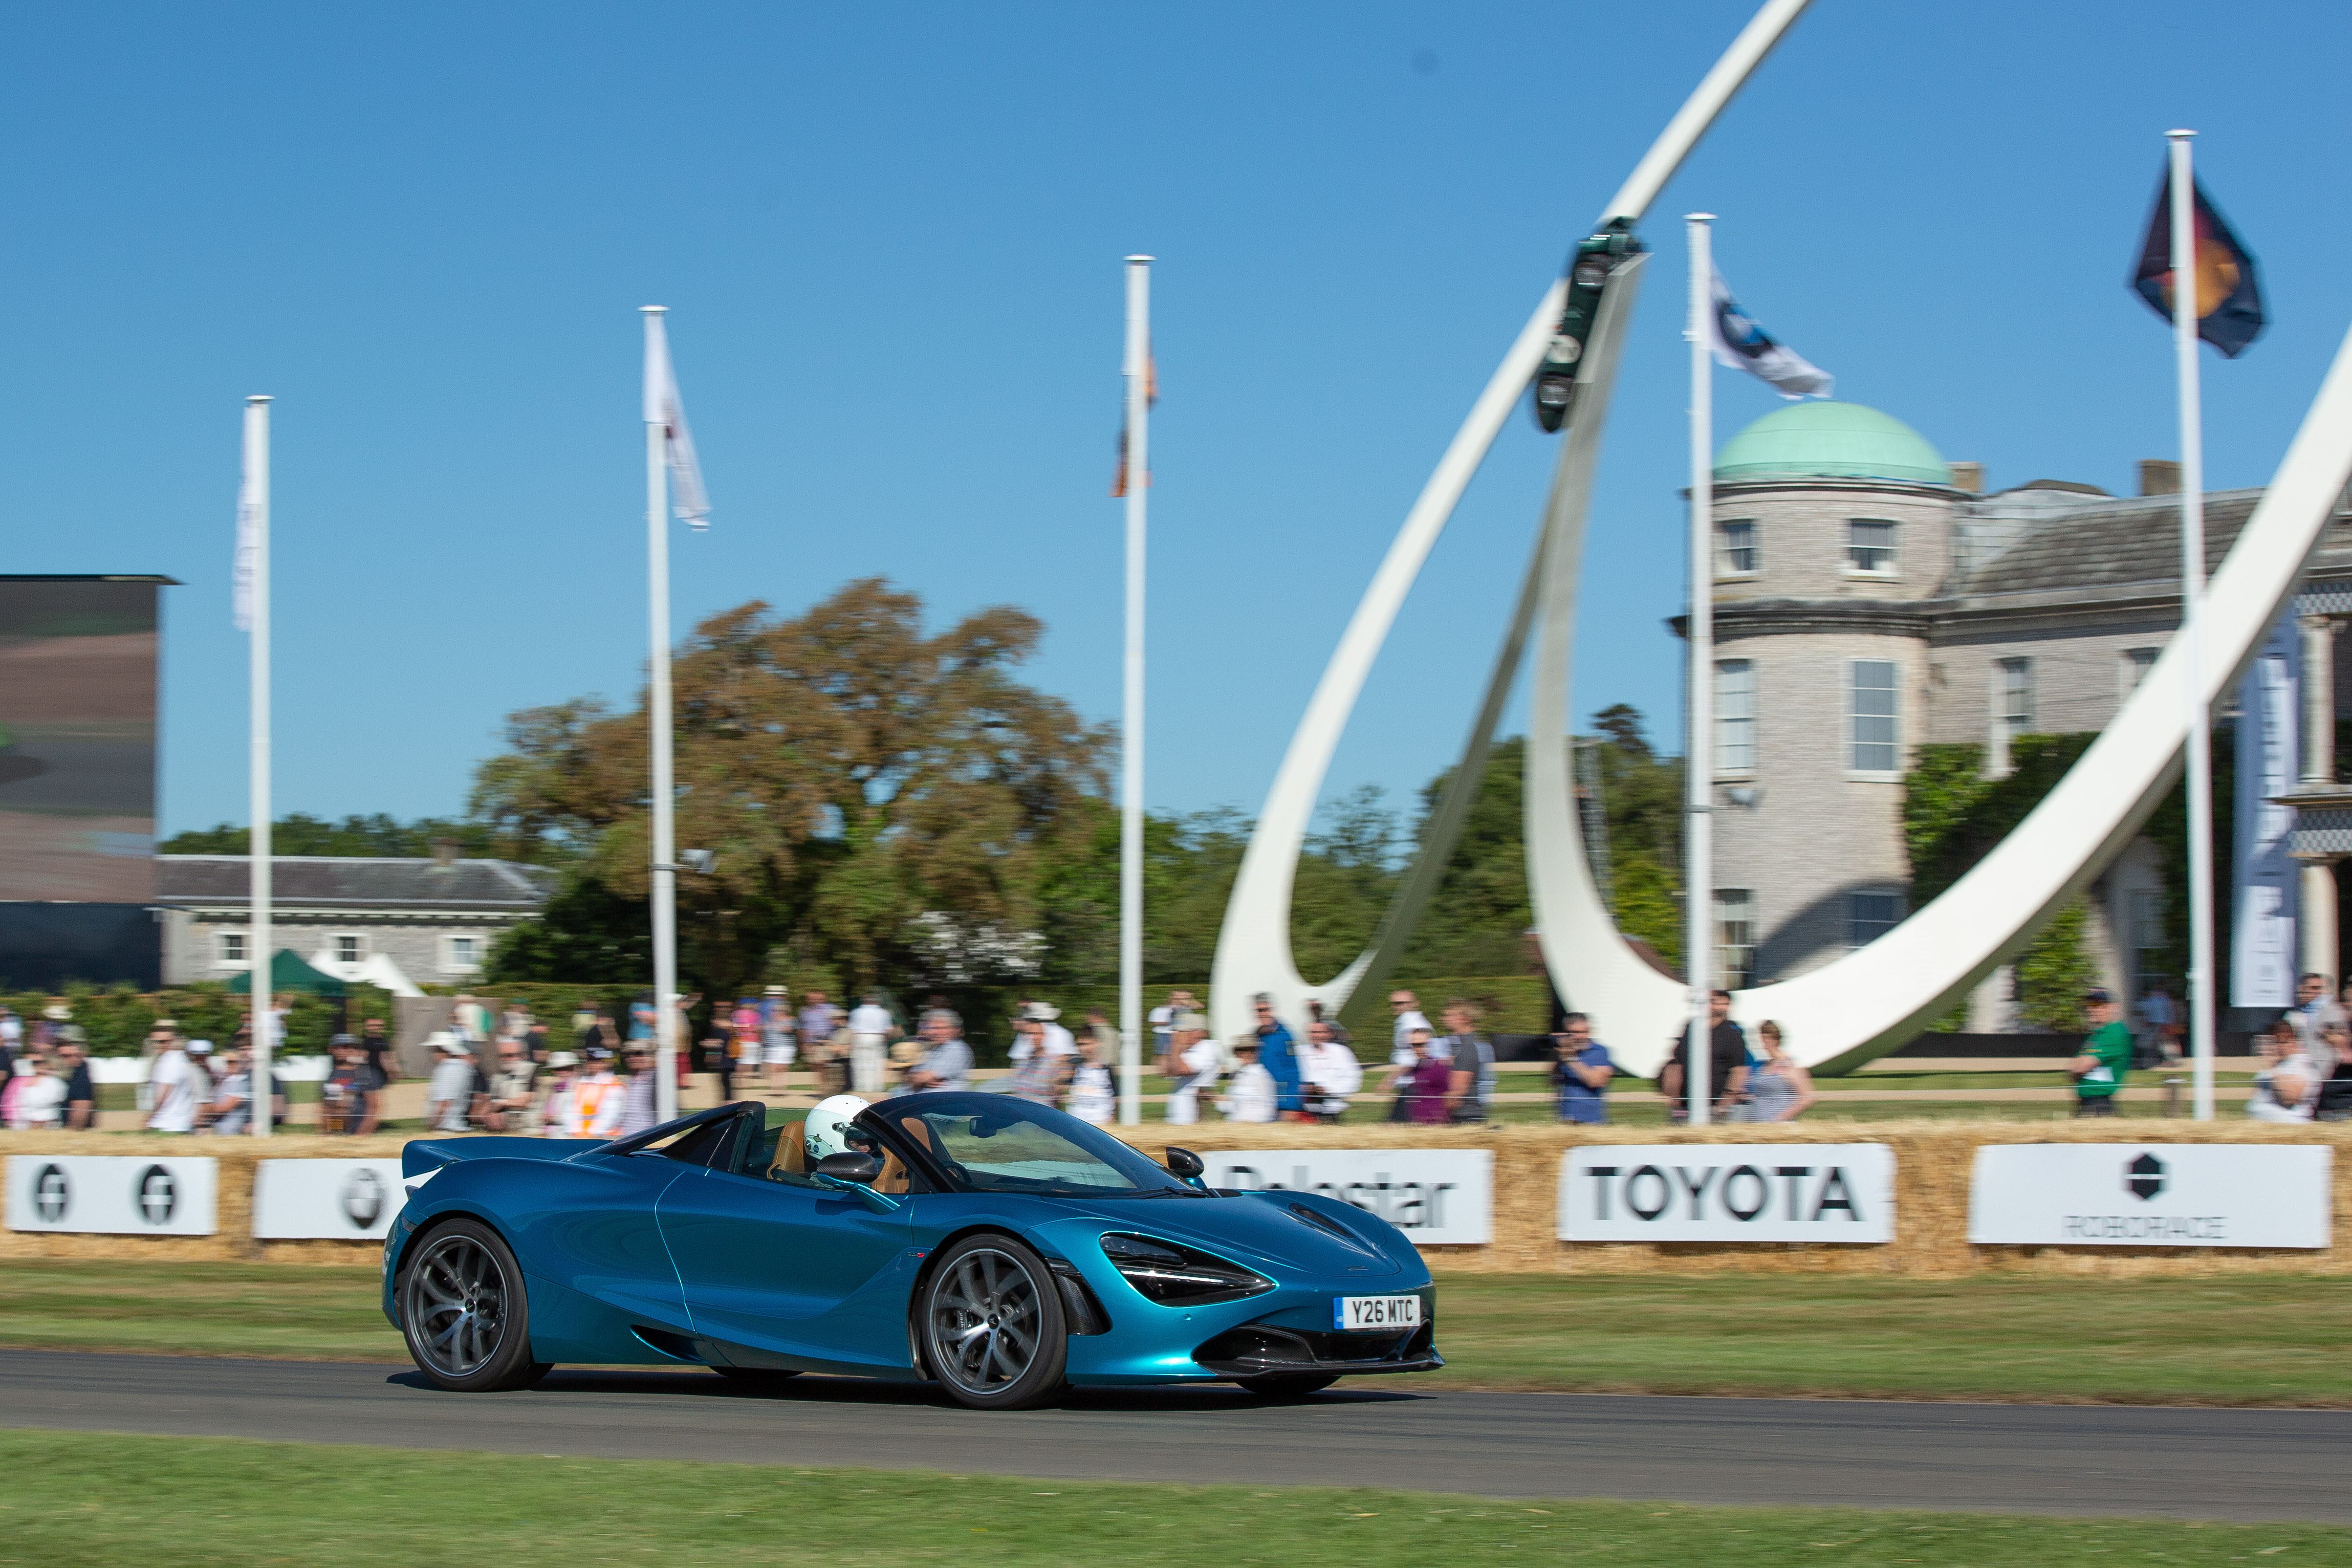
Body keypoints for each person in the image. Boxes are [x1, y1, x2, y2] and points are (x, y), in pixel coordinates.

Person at [1659, 990, 1751, 1122]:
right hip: (1685, 1104)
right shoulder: (1692, 1027)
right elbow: (1677, 1060)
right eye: (1712, 1002)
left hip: (1715, 1107)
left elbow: (1739, 1070)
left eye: (1722, 1003)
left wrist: (1727, 1100)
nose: (1716, 1006)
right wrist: (1674, 1094)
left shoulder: (1732, 1032)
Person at [1733, 1020, 1815, 1122]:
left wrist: (1781, 1118)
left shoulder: (1790, 1065)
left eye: (1762, 1039)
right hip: (1758, 1124)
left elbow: (1807, 1098)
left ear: (1771, 1040)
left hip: (1779, 1126)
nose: (1758, 1043)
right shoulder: (1764, 1066)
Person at [2069, 988, 2133, 1117]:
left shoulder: (2115, 1033)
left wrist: (2079, 1068)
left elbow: (2080, 1068)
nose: (2090, 1009)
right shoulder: (2096, 1035)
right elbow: (2073, 1071)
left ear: (2112, 1007)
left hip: (2099, 1105)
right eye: (2089, 1005)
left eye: (2097, 1004)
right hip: (2087, 1103)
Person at [2248, 1015, 2319, 1123]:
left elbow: (2290, 1098)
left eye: (2285, 1041)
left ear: (2295, 1042)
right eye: (2276, 1041)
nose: (2280, 1046)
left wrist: (2272, 1067)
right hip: (2264, 1126)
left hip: (2289, 1126)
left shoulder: (2301, 1062)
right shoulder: (2275, 1065)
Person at [1249, 994, 1306, 1121]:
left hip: (1283, 1101)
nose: (1262, 1014)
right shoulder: (1257, 1036)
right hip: (1261, 1100)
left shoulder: (1286, 1036)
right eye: (1259, 1011)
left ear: (1273, 1010)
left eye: (1265, 1009)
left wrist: (1291, 1104)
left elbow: (1295, 1070)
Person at [1551, 1013, 1616, 1124]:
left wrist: (1571, 1059)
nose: (1578, 1037)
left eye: (1581, 1032)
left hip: (1591, 1122)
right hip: (1567, 1120)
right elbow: (1553, 1082)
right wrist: (1559, 1056)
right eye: (1572, 1033)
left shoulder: (1599, 1051)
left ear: (1589, 1031)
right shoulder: (1566, 1053)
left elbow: (1596, 1081)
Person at [1436, 1000, 1494, 1122]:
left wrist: (1431, 1111)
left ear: (1466, 1019)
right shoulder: (1475, 1042)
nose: (1443, 1019)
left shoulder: (1468, 1047)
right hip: (1468, 1114)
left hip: (1465, 1117)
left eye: (1450, 1016)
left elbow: (1457, 1092)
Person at [1163, 1013, 1221, 1126]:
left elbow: (1182, 1070)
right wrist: (1169, 1045)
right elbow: (1165, 1071)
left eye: (1182, 1031)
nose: (1178, 1035)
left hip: (1191, 1115)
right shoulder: (1187, 1050)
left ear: (1198, 1032)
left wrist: (1175, 1045)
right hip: (1179, 1112)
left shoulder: (1207, 1049)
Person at [1299, 1020, 1361, 1122]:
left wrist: (1328, 1089)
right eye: (1312, 1032)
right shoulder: (1299, 1052)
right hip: (1304, 1111)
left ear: (1328, 1034)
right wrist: (1305, 1087)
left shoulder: (1342, 1052)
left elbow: (1353, 1079)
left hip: (1332, 1109)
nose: (1316, 1036)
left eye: (1320, 1032)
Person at [146, 1031, 205, 1135]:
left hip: (168, 1124)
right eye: (156, 1042)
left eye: (163, 1042)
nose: (158, 1045)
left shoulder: (169, 1061)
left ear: (172, 1041)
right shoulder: (181, 1059)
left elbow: (163, 1095)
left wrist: (150, 1117)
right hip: (179, 1124)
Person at [560, 1046, 625, 1139]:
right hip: (578, 1137)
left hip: (603, 1138)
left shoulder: (614, 1085)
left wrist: (591, 1136)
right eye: (590, 1060)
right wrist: (574, 1133)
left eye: (597, 1061)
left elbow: (610, 1116)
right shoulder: (580, 1084)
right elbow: (569, 1111)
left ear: (607, 1063)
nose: (592, 1063)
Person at [904, 1009, 973, 1093]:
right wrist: (918, 1080)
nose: (933, 1032)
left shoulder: (955, 1048)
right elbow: (908, 1080)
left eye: (940, 1028)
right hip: (925, 1098)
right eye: (931, 1028)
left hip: (945, 1099)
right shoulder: (933, 1049)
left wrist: (920, 1080)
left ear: (954, 1030)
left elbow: (926, 1077)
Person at [483, 1038, 541, 1133]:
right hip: (504, 1128)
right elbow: (491, 1103)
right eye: (502, 1056)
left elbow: (526, 1100)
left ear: (522, 1055)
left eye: (510, 1055)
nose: (506, 1059)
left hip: (527, 1128)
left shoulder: (531, 1070)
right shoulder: (497, 1077)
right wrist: (492, 1114)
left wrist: (501, 1103)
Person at [425, 1033, 478, 1132]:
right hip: (458, 1125)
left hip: (446, 1128)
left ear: (443, 1050)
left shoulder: (446, 1070)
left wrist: (432, 1126)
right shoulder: (464, 1067)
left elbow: (444, 1103)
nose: (433, 1055)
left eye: (435, 1050)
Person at [1399, 1030, 1454, 1125]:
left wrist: (1441, 1120)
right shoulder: (1415, 1068)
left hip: (1436, 1126)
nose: (1416, 1049)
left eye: (1420, 1045)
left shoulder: (1438, 1068)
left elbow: (1451, 1098)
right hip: (1417, 1125)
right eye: (1413, 1045)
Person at [846, 992, 896, 1095]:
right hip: (878, 1036)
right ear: (877, 1002)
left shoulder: (856, 1012)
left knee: (859, 1063)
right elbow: (890, 1030)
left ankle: (861, 1087)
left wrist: (850, 1043)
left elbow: (851, 1029)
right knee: (877, 1063)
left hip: (860, 1036)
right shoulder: (884, 1012)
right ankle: (877, 1087)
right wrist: (886, 1039)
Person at [1218, 1038, 1277, 1123]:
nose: (1248, 1054)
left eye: (1252, 1051)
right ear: (1237, 1054)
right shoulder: (1237, 1075)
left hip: (1255, 1125)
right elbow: (1227, 1106)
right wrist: (1219, 1100)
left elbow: (1268, 1107)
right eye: (1243, 1052)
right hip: (1235, 1123)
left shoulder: (1261, 1075)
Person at [1065, 1031, 1115, 1124]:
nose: (1086, 1048)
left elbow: (1115, 1098)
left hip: (1101, 1124)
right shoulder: (1074, 1069)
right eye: (1082, 1044)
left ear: (1098, 1044)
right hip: (1077, 1123)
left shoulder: (1107, 1070)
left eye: (1089, 1044)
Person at [9, 1051, 64, 1130]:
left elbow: (48, 1109)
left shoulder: (55, 1083)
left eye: (39, 1062)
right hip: (21, 1129)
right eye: (31, 1063)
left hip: (45, 1130)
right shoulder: (18, 1082)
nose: (35, 1065)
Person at [761, 986, 798, 1094]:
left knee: (782, 1068)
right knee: (773, 1068)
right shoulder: (768, 1020)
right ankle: (775, 1088)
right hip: (771, 1047)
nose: (776, 1012)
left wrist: (781, 1027)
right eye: (774, 1010)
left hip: (786, 1047)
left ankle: (782, 1088)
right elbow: (763, 1031)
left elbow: (793, 1029)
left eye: (778, 1010)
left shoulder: (791, 1020)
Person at [2134, 982, 2180, 1068]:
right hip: (2158, 1023)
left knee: (2161, 1043)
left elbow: (2154, 1012)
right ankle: (2166, 1060)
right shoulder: (2159, 999)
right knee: (2159, 1043)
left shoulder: (2155, 1000)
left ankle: (2168, 1060)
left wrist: (2168, 1023)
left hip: (2157, 1024)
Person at [537, 1052, 579, 1136]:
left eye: (567, 1069)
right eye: (558, 1070)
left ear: (574, 1070)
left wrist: (553, 1118)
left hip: (567, 1135)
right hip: (550, 1135)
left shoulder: (578, 1089)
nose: (563, 1072)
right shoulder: (552, 1089)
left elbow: (578, 1116)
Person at [56, 1040, 94, 1131]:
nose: (73, 1060)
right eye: (66, 1056)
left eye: (77, 1056)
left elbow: (79, 1117)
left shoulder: (81, 1077)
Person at [358, 1017, 398, 1083]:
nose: (376, 1027)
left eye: (379, 1025)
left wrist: (392, 1070)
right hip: (370, 1072)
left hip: (382, 1072)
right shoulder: (365, 1041)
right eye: (372, 1026)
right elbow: (362, 1057)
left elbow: (388, 1056)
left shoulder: (384, 1040)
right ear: (367, 1027)